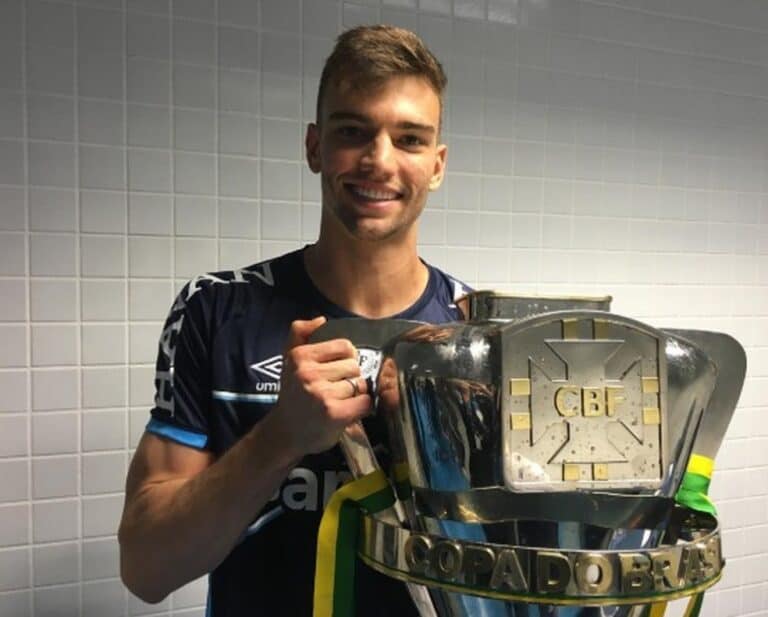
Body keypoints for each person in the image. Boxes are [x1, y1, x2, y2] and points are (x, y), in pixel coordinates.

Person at [118, 25, 470, 616]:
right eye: (353, 131)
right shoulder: (217, 309)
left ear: (436, 165)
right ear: (314, 147)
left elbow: (512, 553)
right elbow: (147, 569)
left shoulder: (470, 332)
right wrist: (283, 435)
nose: (379, 160)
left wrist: (432, 440)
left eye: (409, 139)